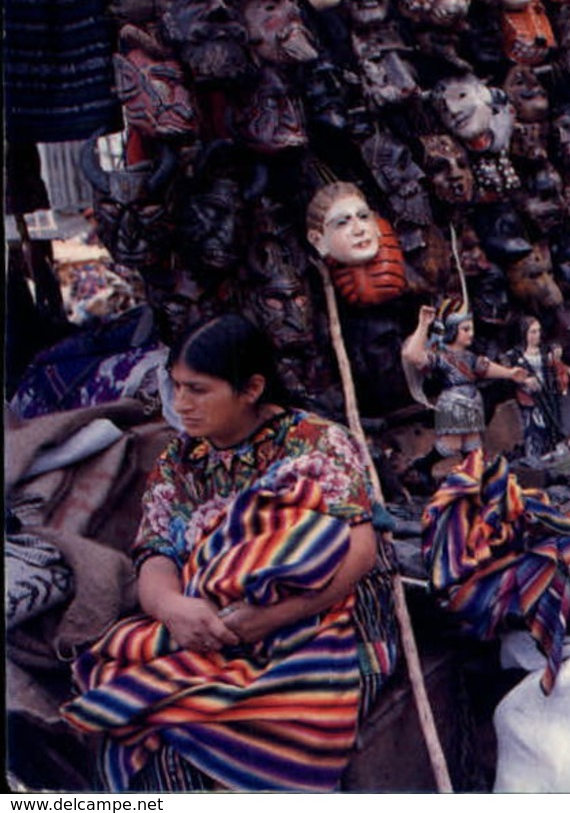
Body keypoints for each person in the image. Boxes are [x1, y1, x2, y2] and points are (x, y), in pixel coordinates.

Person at [62, 315, 399, 791]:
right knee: (134, 706)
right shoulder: (179, 462)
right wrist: (173, 608)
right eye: (176, 387)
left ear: (252, 388)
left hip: (321, 617)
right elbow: (156, 554)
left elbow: (359, 552)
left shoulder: (317, 442)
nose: (181, 404)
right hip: (218, 623)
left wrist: (273, 616)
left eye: (198, 390)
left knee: (229, 730)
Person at [402, 298, 532, 471]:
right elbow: (412, 354)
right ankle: (423, 467)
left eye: (471, 329)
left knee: (473, 445)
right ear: (452, 330)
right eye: (465, 329)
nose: (471, 333)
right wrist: (423, 325)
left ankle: (474, 474)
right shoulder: (441, 356)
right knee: (451, 445)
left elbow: (484, 367)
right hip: (453, 403)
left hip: (472, 402)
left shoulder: (469, 356)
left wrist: (509, 373)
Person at [509, 314, 565, 461]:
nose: (537, 335)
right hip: (529, 398)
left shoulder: (545, 352)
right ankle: (533, 458)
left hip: (547, 395)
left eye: (538, 331)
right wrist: (525, 380)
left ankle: (551, 454)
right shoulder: (515, 355)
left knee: (550, 424)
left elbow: (553, 369)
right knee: (533, 429)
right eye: (532, 332)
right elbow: (510, 373)